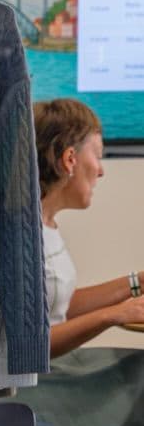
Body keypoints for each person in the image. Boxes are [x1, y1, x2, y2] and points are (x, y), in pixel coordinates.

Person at [35, 98, 144, 356]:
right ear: (70, 159)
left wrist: (137, 282)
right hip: (38, 381)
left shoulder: (46, 225)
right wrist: (113, 315)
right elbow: (27, 346)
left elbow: (58, 306)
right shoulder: (21, 239)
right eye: (97, 156)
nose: (101, 170)